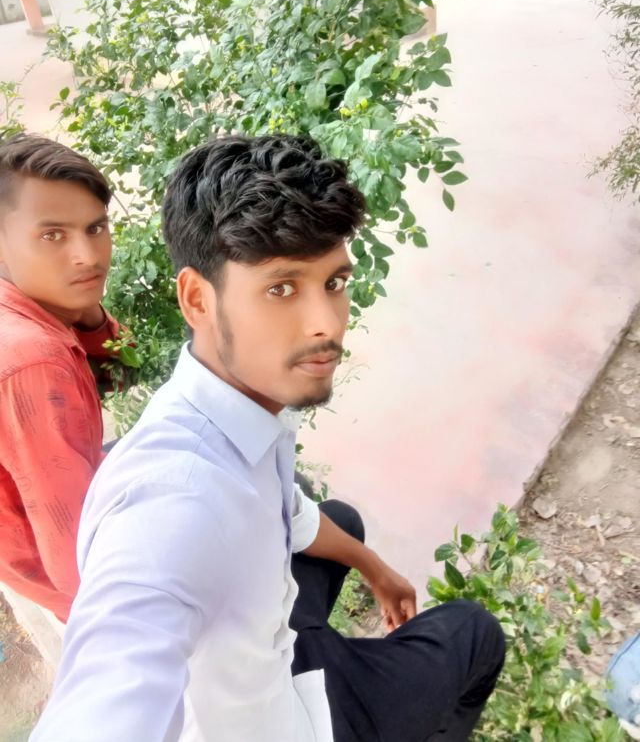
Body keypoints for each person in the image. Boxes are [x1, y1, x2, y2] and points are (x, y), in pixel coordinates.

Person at [31, 134, 505, 742]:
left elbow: (290, 511)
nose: (326, 324)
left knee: (341, 521)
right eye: (281, 289)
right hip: (287, 724)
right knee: (473, 633)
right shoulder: (173, 502)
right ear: (197, 300)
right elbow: (109, 692)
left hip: (271, 650)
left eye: (334, 282)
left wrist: (375, 568)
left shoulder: (235, 408)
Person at [0, 133, 121, 622]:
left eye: (96, 228)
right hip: (86, 587)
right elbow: (79, 564)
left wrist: (87, 313)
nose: (88, 256)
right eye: (52, 235)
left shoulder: (40, 303)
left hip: (80, 486)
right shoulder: (32, 361)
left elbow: (118, 374)